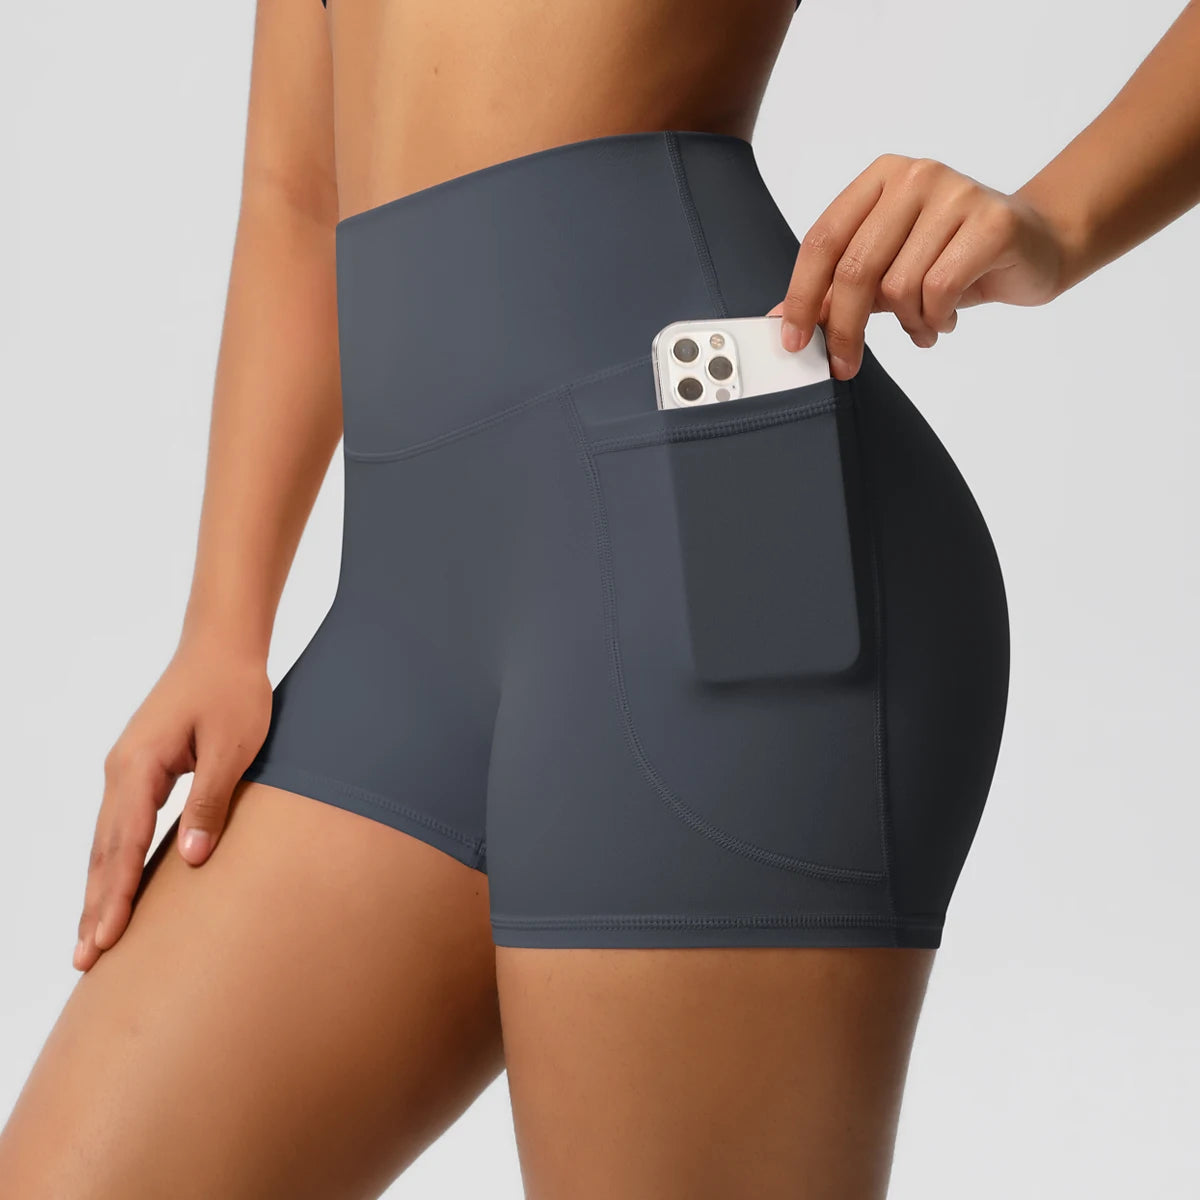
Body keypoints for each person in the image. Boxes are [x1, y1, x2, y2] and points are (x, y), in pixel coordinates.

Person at [3, 1, 1199, 1196]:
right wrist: (221, 627)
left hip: (718, 559)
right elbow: (299, 191)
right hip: (406, 625)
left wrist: (1061, 220)